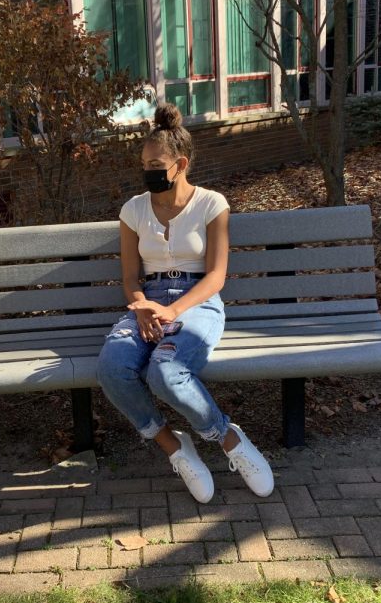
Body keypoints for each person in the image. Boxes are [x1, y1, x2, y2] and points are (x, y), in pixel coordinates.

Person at [96, 104, 273, 504]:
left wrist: (174, 311)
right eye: (144, 164)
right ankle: (173, 446)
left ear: (180, 164)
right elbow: (129, 278)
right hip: (148, 302)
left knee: (166, 372)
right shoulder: (133, 210)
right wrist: (142, 306)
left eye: (156, 164)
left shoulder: (212, 204)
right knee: (112, 367)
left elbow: (216, 276)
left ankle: (230, 440)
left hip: (197, 302)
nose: (148, 171)